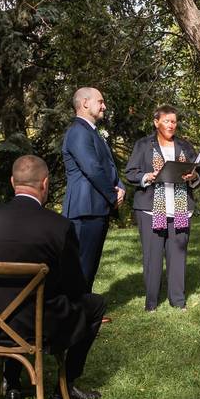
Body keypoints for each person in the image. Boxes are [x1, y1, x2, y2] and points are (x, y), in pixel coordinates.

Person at [0, 155, 106, 399]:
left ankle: (12, 385)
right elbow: (75, 288)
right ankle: (66, 386)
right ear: (45, 183)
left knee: (10, 299)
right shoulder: (58, 226)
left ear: (12, 182)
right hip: (39, 327)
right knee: (94, 304)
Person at [125, 105, 200, 311]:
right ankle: (151, 302)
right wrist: (147, 176)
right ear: (156, 122)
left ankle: (177, 301)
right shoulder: (143, 145)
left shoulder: (185, 147)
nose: (171, 125)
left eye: (174, 121)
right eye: (167, 121)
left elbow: (198, 172)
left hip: (180, 208)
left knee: (178, 256)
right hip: (151, 209)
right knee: (153, 256)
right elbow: (131, 172)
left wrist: (193, 176)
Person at [61, 86, 125, 292]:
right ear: (85, 103)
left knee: (90, 266)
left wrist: (120, 186)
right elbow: (92, 169)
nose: (104, 106)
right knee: (81, 267)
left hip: (96, 208)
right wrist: (112, 196)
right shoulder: (78, 131)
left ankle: (84, 312)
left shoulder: (92, 132)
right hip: (85, 210)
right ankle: (76, 316)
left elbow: (109, 165)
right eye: (100, 101)